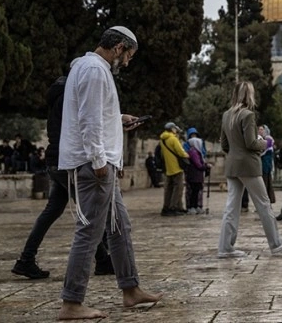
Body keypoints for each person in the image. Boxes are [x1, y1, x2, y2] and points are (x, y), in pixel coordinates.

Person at [57, 26, 161, 320]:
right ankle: (71, 302)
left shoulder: (91, 68)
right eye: (128, 56)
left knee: (119, 227)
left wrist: (118, 120)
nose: (127, 62)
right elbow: (88, 121)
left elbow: (96, 116)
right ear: (118, 48)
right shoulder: (93, 70)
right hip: (94, 167)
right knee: (89, 233)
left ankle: (131, 289)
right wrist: (99, 161)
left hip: (101, 164)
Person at [12, 76, 113, 280]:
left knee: (53, 211)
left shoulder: (57, 97)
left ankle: (26, 259)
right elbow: (85, 126)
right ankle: (102, 261)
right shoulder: (71, 97)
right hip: (69, 162)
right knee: (90, 211)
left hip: (55, 161)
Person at [218, 81, 282, 258]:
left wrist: (235, 154)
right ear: (248, 95)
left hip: (232, 165)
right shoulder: (247, 115)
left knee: (231, 207)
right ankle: (276, 243)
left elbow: (224, 144)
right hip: (248, 166)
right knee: (263, 204)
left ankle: (225, 247)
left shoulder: (226, 115)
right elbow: (251, 143)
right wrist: (265, 142)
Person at [159, 122, 189, 216]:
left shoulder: (162, 139)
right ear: (172, 129)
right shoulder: (173, 139)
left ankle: (167, 206)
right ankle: (173, 207)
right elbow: (180, 151)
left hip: (168, 167)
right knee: (178, 188)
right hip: (176, 167)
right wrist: (186, 155)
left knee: (168, 188)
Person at [185, 128, 207, 213]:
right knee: (193, 191)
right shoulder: (192, 151)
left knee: (197, 191)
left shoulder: (197, 151)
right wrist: (204, 167)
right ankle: (192, 206)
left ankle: (197, 206)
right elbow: (197, 163)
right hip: (194, 174)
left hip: (197, 174)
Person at [259, 125, 276, 204]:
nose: (260, 131)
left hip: (266, 164)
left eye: (262, 129)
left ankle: (266, 201)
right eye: (259, 129)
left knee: (265, 183)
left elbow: (264, 151)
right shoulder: (261, 139)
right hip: (263, 164)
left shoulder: (268, 139)